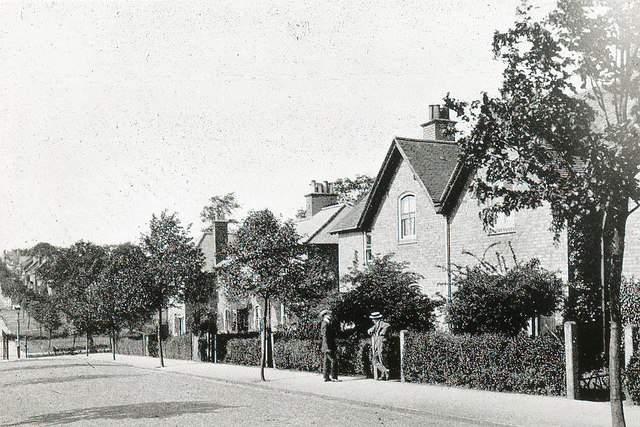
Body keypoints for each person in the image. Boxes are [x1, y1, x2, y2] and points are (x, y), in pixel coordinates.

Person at [367, 311, 390, 380]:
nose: (372, 320)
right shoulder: (376, 325)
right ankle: (385, 371)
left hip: (381, 343)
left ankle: (384, 374)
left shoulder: (382, 323)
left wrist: (382, 333)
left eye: (373, 319)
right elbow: (369, 330)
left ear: (377, 319)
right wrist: (370, 331)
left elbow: (388, 325)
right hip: (377, 344)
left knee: (381, 358)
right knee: (375, 360)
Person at [319, 309, 339, 382]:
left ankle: (326, 377)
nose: (330, 316)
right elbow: (325, 336)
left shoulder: (327, 323)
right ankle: (334, 377)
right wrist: (327, 347)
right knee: (334, 361)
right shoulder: (325, 324)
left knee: (326, 361)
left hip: (328, 346)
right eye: (329, 314)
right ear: (325, 315)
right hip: (328, 346)